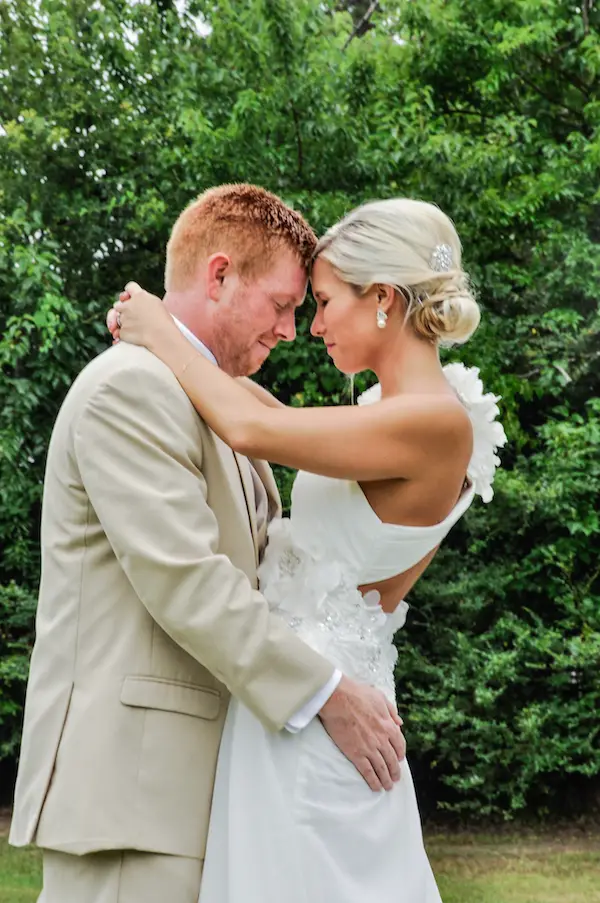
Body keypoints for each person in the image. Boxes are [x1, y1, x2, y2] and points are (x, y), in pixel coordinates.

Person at [9, 184, 406, 903]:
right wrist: (328, 693)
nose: (291, 330)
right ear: (219, 274)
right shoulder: (130, 389)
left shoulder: (213, 402)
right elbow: (187, 581)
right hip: (136, 797)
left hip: (205, 792)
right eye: (284, 304)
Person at [107, 197, 507, 903]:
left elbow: (251, 429)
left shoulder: (435, 422)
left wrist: (160, 330)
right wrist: (188, 343)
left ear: (382, 298)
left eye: (322, 302)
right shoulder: (394, 411)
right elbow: (271, 414)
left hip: (321, 710)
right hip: (294, 697)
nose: (312, 326)